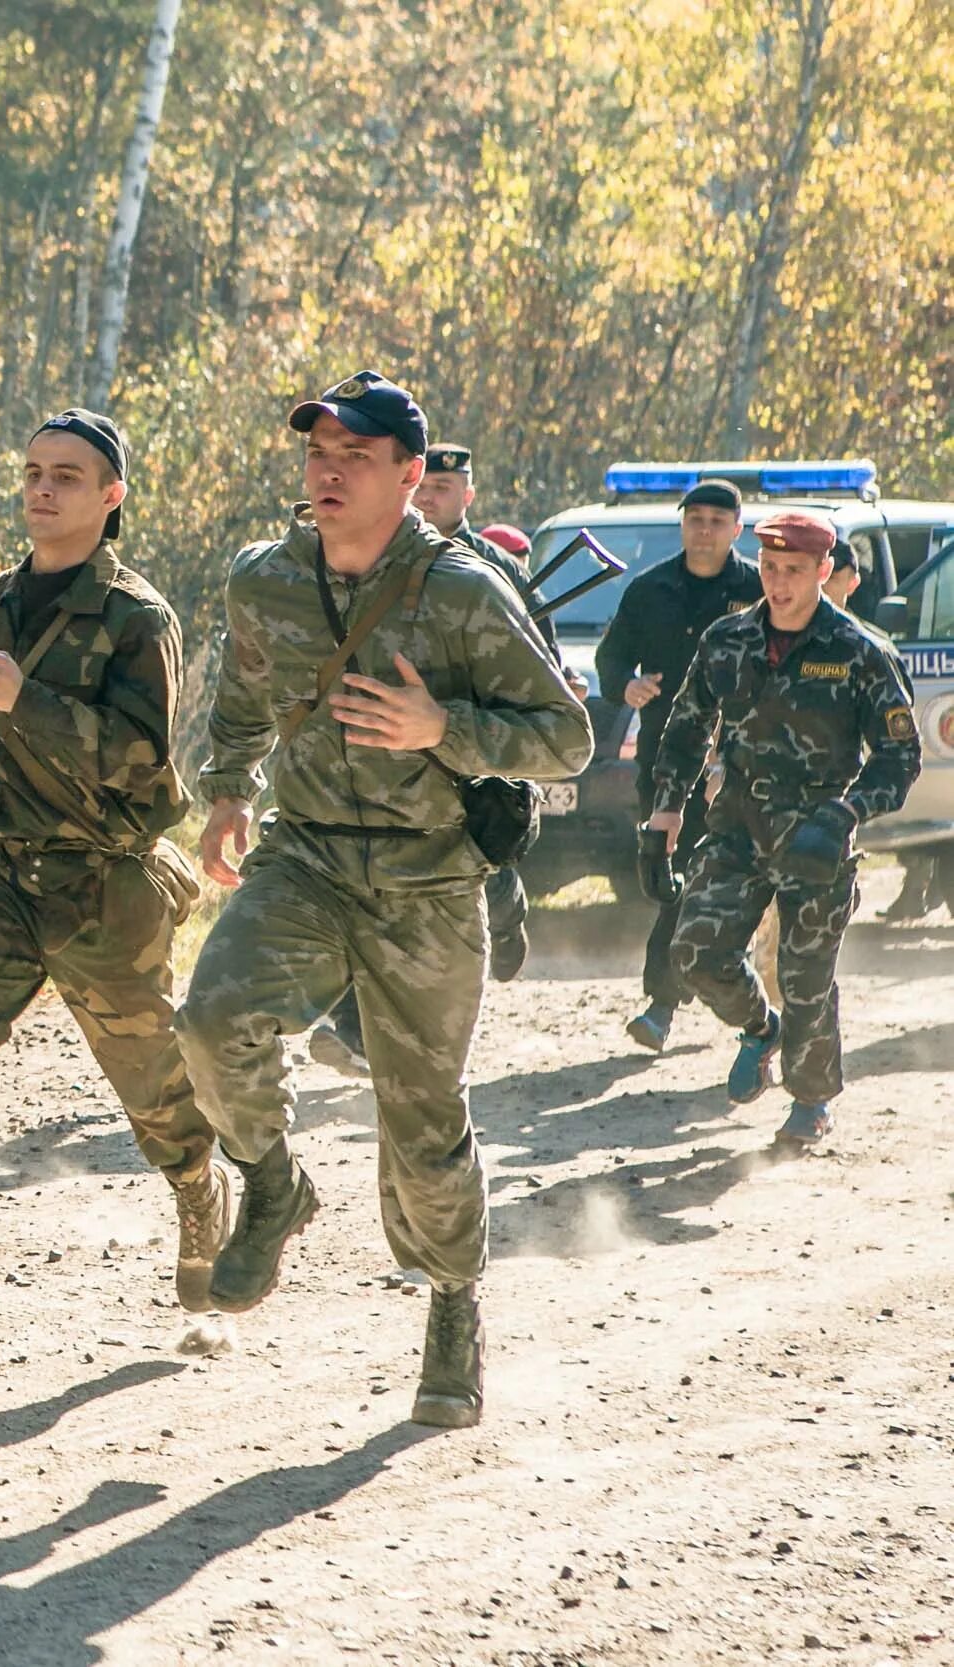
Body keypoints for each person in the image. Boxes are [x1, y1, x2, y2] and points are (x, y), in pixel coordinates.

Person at [175, 371, 592, 1430]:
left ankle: (451, 1300)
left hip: (427, 876)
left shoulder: (460, 590)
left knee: (420, 1117)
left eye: (353, 455)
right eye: (316, 450)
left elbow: (566, 736)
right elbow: (243, 691)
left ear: (409, 476)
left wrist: (440, 728)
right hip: (306, 856)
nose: (326, 469)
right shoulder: (262, 578)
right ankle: (273, 1182)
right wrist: (229, 790)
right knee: (213, 1016)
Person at [0, 408, 223, 1334]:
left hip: (102, 881)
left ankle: (200, 1188)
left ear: (111, 497)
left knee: (151, 1083)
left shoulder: (136, 617)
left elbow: (139, 759)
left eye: (66, 476)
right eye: (33, 471)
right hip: (0, 871)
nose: (42, 489)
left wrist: (27, 701)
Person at [649, 510, 921, 1150]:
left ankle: (810, 1099)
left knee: (806, 977)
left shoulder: (860, 652)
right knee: (694, 951)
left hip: (818, 836)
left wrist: (845, 815)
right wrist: (665, 812)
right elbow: (688, 728)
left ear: (825, 572)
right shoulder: (728, 639)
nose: (779, 583)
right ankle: (760, 1029)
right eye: (770, 569)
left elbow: (898, 758)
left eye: (794, 571)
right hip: (739, 825)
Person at [304, 443, 553, 1078]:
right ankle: (355, 1030)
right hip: (384, 763)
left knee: (483, 877)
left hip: (468, 758)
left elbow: (537, 674)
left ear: (466, 493)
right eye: (428, 485)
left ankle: (507, 913)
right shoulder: (371, 558)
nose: (433, 496)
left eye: (445, 486)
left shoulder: (487, 566)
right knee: (368, 894)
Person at [593, 478, 764, 1051]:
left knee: (710, 875)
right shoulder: (651, 588)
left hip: (741, 763)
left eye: (718, 521)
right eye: (696, 519)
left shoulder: (759, 588)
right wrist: (626, 685)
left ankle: (666, 1003)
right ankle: (690, 990)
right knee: (670, 875)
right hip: (667, 759)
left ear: (737, 530)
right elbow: (611, 655)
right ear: (683, 524)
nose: (706, 530)